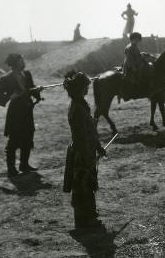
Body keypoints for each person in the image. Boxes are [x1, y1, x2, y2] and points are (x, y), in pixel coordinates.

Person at [62, 70, 106, 229]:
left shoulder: (80, 105)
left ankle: (89, 217)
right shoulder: (78, 108)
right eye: (86, 86)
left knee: (87, 185)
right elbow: (82, 136)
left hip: (85, 150)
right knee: (83, 187)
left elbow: (90, 132)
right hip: (81, 152)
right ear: (80, 89)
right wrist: (88, 155)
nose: (88, 89)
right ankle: (84, 222)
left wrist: (98, 147)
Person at [0, 53, 43, 177]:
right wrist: (9, 97)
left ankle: (24, 165)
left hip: (27, 111)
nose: (23, 62)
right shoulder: (6, 78)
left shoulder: (27, 74)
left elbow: (30, 88)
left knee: (28, 136)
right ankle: (11, 169)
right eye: (21, 60)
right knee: (14, 140)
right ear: (15, 63)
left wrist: (37, 90)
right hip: (15, 113)